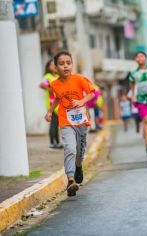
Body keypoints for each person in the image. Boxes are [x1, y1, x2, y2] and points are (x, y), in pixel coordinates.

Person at [45, 51, 95, 197]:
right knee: (69, 148)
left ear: (72, 65)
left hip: (81, 121)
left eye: (68, 63)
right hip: (65, 120)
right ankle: (70, 179)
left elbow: (92, 93)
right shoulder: (54, 84)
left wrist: (81, 101)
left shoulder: (79, 79)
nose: (66, 66)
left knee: (79, 152)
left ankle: (78, 166)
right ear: (55, 67)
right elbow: (58, 99)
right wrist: (50, 111)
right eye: (61, 64)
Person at [39, 60, 63, 149]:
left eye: (55, 65)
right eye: (52, 65)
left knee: (57, 123)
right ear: (48, 67)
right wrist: (51, 90)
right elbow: (41, 85)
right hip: (51, 103)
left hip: (59, 103)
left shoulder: (57, 76)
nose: (54, 66)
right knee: (53, 123)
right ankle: (52, 143)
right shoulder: (47, 77)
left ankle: (57, 142)